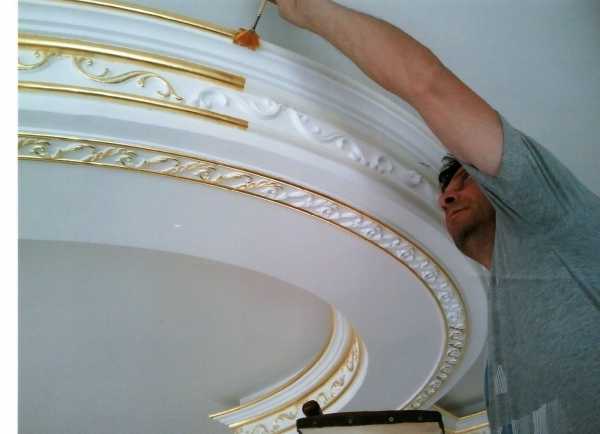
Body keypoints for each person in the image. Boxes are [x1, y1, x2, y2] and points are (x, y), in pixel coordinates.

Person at [269, 1, 600, 433]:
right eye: (445, 190)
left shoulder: (559, 218)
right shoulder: (502, 342)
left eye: (463, 179)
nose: (446, 199)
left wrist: (303, 7)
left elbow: (426, 84)